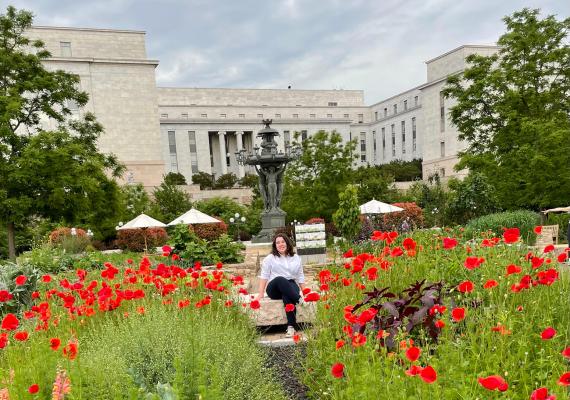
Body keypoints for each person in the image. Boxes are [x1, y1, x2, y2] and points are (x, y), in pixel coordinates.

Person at [255, 233, 306, 337]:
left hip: (290, 285)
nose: (280, 244)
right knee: (280, 279)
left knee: (287, 295)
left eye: (282, 242)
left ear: (287, 243)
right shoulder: (270, 258)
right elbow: (264, 276)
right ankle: (299, 300)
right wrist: (260, 294)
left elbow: (300, 276)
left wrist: (305, 291)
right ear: (275, 245)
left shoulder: (296, 258)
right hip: (274, 287)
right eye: (277, 243)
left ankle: (291, 327)